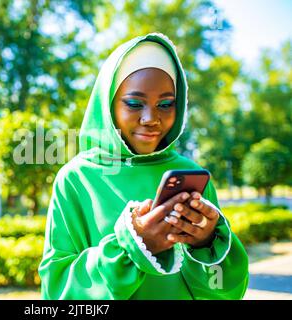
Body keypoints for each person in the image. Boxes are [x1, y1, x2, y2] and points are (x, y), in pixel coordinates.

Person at [38, 33, 249, 300]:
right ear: (108, 104)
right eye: (134, 104)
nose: (151, 119)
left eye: (165, 104)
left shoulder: (191, 174)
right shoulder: (76, 179)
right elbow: (56, 290)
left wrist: (206, 244)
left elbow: (224, 294)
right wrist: (133, 247)